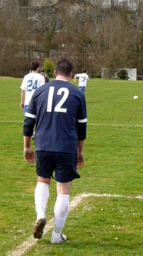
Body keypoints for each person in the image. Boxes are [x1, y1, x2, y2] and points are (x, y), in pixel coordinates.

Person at [23, 58, 87, 244]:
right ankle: (57, 235)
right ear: (71, 75)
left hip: (43, 144)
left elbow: (28, 123)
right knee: (63, 190)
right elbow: (82, 127)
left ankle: (40, 215)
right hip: (66, 147)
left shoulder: (39, 91)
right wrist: (80, 151)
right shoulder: (77, 94)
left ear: (54, 73)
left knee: (43, 181)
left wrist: (27, 146)